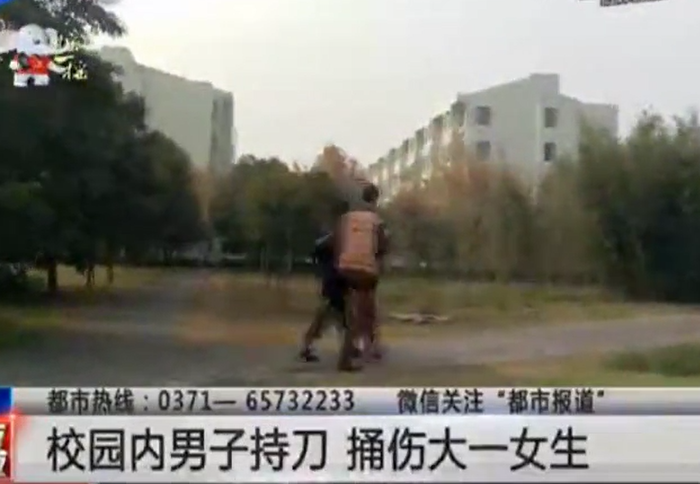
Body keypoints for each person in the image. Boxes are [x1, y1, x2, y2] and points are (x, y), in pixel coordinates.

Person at [335, 183, 388, 372]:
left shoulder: (347, 218)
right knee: (365, 312)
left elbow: (338, 241)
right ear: (375, 199)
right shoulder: (376, 220)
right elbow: (382, 247)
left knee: (350, 311)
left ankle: (356, 346)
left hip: (344, 267)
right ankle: (355, 353)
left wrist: (339, 262)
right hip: (365, 270)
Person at [299, 202, 360, 363]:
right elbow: (320, 250)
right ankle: (345, 355)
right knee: (342, 318)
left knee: (333, 317)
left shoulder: (336, 232)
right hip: (335, 279)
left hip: (335, 278)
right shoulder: (335, 233)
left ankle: (309, 346)